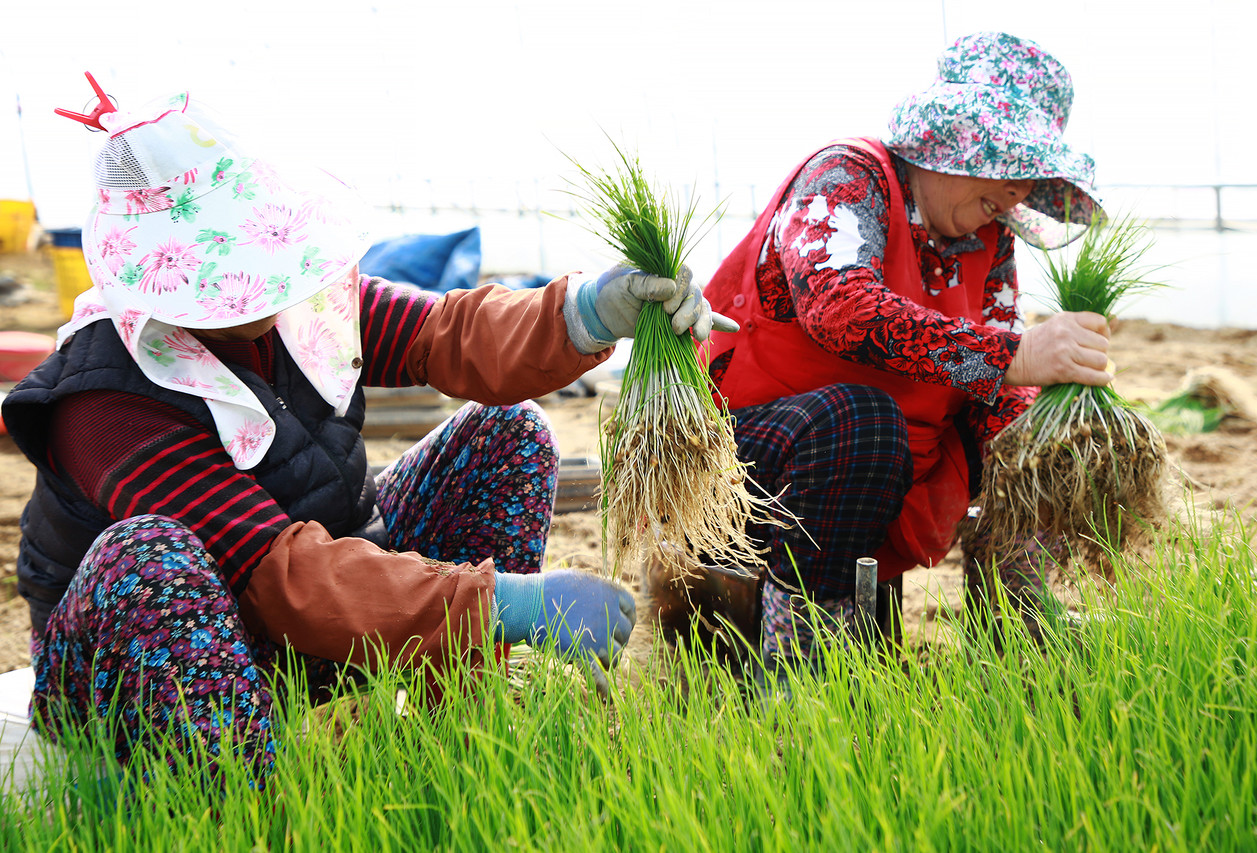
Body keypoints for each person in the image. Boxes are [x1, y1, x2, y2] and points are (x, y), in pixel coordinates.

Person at [1, 81, 729, 776]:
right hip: (146, 663)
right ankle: (248, 801)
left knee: (509, 434)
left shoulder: (306, 301)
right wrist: (504, 604)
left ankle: (461, 741)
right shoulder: (103, 402)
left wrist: (585, 313)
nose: (268, 284)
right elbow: (280, 571)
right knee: (149, 556)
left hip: (306, 618)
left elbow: (448, 332)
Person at [697, 32, 1111, 667]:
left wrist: (1058, 436)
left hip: (872, 484)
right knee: (863, 423)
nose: (1020, 194)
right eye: (1011, 167)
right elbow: (840, 307)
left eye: (1030, 178)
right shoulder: (845, 177)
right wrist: (1014, 358)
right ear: (954, 141)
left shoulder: (988, 239)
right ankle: (798, 668)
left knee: (1025, 435)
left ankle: (1020, 625)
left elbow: (1000, 377)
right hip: (744, 461)